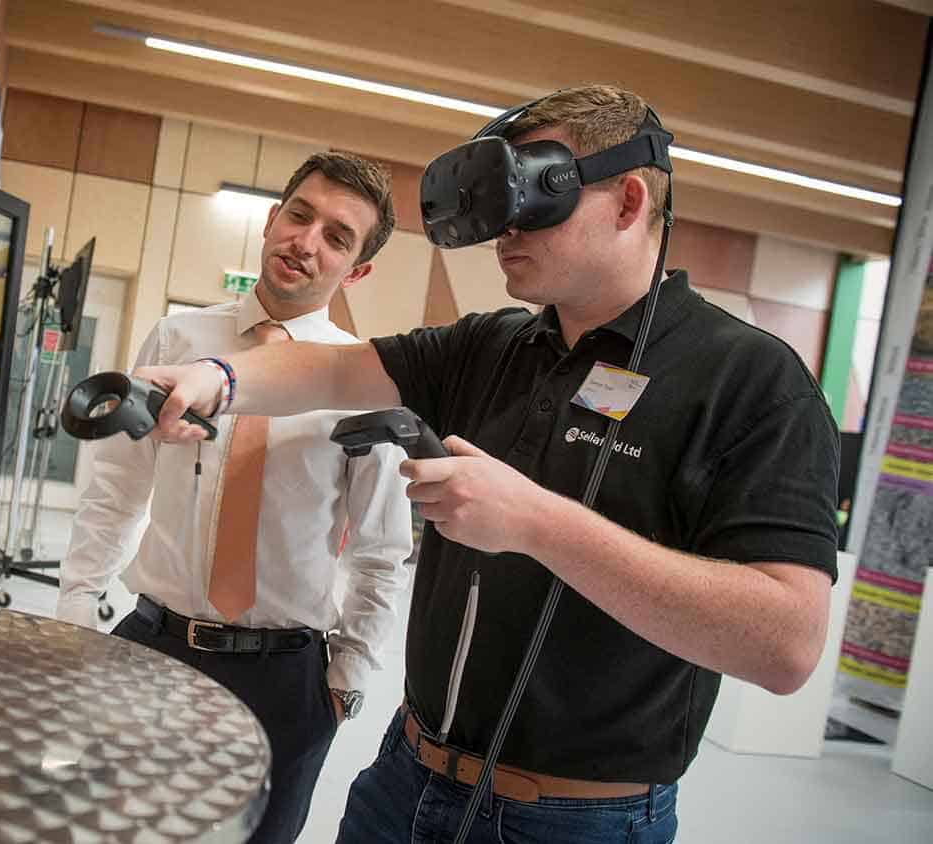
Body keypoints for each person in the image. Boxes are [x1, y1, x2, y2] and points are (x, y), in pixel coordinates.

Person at [136, 86, 838, 844]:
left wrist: (537, 524)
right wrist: (222, 375)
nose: (506, 228)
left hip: (577, 818)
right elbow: (334, 372)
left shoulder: (749, 383)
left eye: (534, 194)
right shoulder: (493, 346)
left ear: (629, 201)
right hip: (405, 781)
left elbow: (786, 644)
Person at [58, 152, 415, 844]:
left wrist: (347, 676)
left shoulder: (360, 379)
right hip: (152, 652)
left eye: (337, 237)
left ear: (358, 270)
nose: (306, 242)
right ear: (272, 218)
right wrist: (76, 610)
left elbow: (381, 548)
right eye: (299, 214)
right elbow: (115, 492)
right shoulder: (178, 338)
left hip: (284, 680)